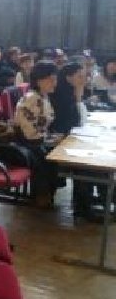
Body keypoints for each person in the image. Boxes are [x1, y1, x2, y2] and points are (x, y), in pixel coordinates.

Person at [13, 61, 61, 208]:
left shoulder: (43, 97)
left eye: (55, 79)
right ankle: (41, 195)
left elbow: (42, 126)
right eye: (51, 79)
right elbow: (29, 132)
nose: (55, 83)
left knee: (54, 152)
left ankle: (48, 193)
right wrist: (48, 139)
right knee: (46, 155)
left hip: (36, 138)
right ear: (39, 80)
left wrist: (50, 137)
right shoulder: (31, 98)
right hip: (24, 142)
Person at [50, 62, 94, 217]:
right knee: (86, 164)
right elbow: (75, 120)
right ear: (68, 77)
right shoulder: (60, 94)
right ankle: (83, 207)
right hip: (59, 136)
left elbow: (79, 120)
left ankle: (92, 201)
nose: (83, 80)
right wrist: (78, 96)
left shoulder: (70, 90)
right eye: (79, 76)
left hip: (69, 134)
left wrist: (78, 94)